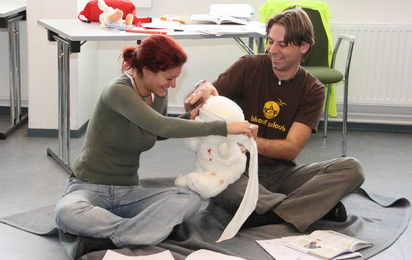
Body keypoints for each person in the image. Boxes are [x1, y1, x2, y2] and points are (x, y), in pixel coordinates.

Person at [54, 35, 258, 259]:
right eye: (169, 78)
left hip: (128, 191)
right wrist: (226, 127)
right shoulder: (118, 91)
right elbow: (161, 124)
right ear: (148, 70)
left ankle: (112, 234)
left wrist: (194, 116)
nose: (173, 85)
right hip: (88, 187)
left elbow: (158, 132)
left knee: (189, 198)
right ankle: (140, 231)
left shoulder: (157, 93)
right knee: (67, 212)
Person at [185, 8, 365, 233]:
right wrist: (202, 89)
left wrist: (248, 139)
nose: (272, 50)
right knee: (222, 187)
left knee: (352, 168)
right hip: (238, 169)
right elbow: (201, 103)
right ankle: (305, 208)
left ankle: (264, 210)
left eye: (282, 44)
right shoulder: (248, 66)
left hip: (281, 173)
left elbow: (291, 150)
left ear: (304, 47)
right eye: (270, 42)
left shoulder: (313, 89)